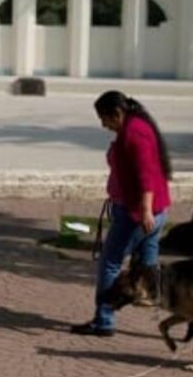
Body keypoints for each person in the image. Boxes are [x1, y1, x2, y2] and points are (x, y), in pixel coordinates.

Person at [71, 90, 172, 337]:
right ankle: (153, 296)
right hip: (156, 210)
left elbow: (145, 173)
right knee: (149, 259)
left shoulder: (133, 133)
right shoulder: (139, 126)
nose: (103, 125)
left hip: (137, 214)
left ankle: (103, 321)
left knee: (110, 263)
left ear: (117, 114)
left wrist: (145, 210)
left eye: (104, 119)